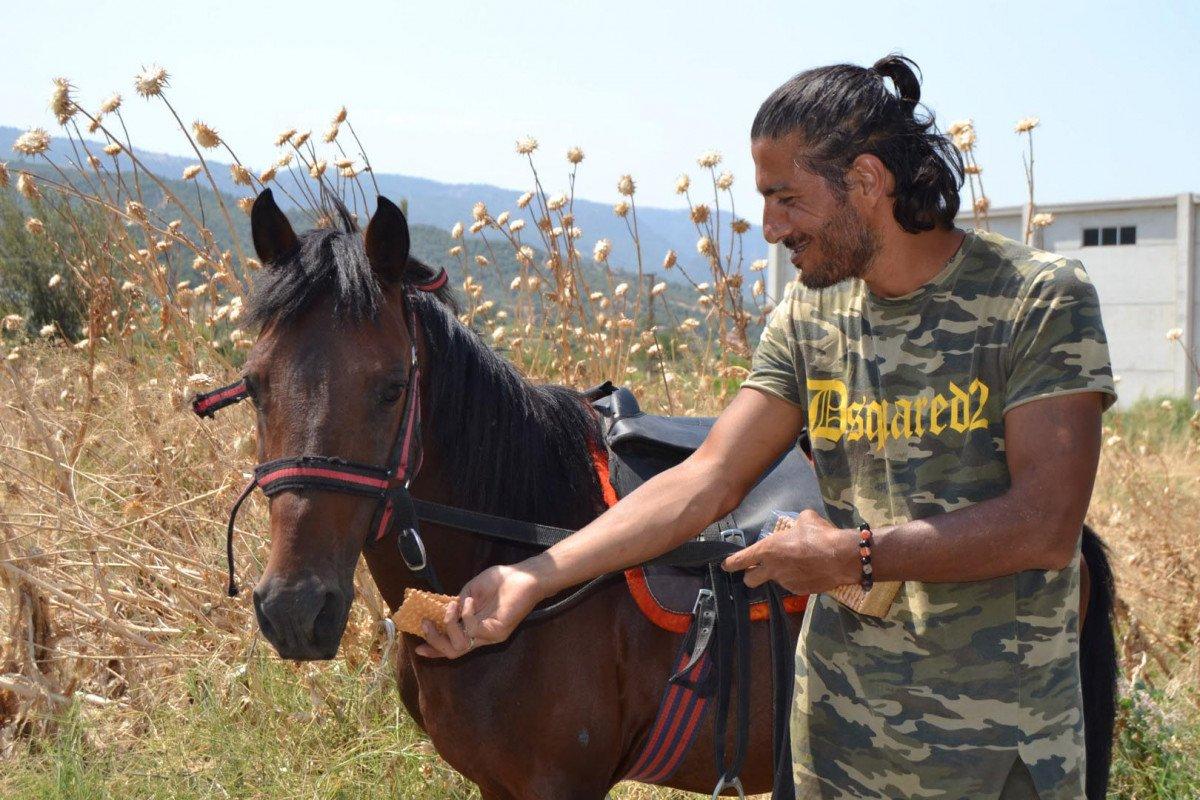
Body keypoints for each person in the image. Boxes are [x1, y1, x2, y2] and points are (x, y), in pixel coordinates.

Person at [416, 54, 1117, 800]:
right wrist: (531, 578)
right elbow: (707, 477)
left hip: (996, 749)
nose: (771, 226)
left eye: (787, 198)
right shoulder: (811, 320)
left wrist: (854, 555)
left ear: (868, 182)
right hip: (835, 744)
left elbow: (1045, 523)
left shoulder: (1036, 301)